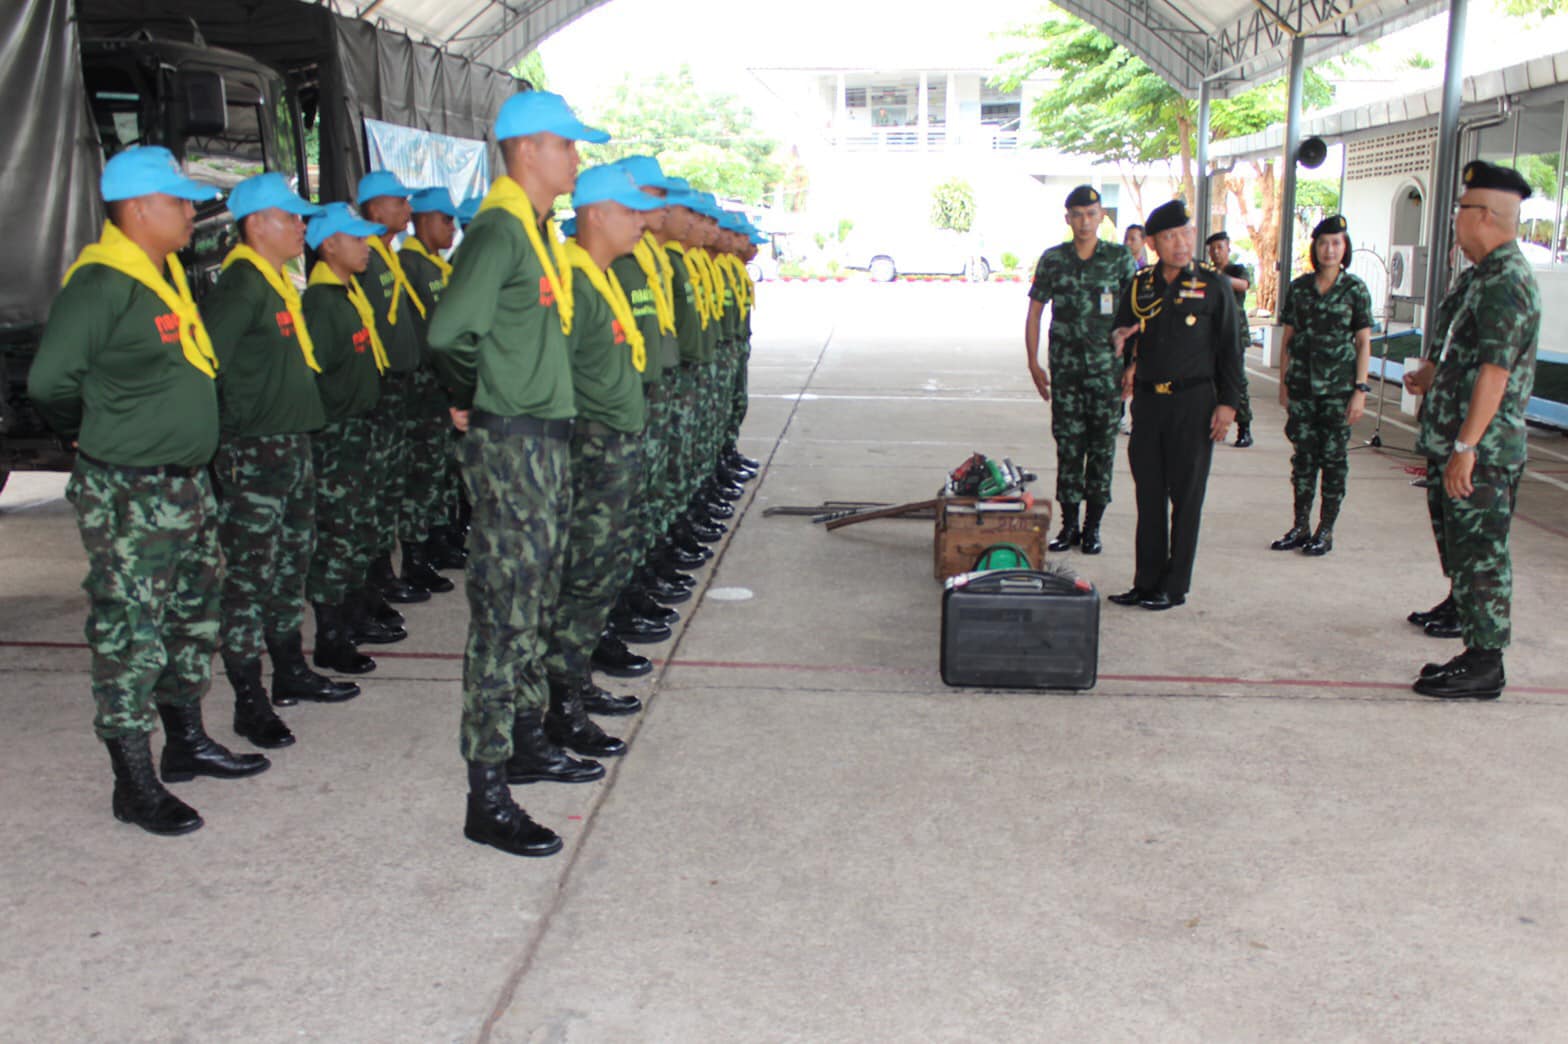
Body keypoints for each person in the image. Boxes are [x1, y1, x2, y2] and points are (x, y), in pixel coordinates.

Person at [28, 146, 268, 836]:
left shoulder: (159, 274)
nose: (192, 213)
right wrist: (91, 432)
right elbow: (50, 383)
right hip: (130, 492)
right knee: (130, 634)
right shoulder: (102, 284)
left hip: (186, 488)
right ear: (138, 208)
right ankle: (133, 783)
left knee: (191, 619)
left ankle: (186, 744)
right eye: (179, 202)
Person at [428, 90, 613, 858]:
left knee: (533, 603)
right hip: (514, 448)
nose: (577, 158)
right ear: (530, 149)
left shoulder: (531, 231)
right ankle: (488, 792)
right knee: (506, 617)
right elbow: (448, 335)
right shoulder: (501, 231)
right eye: (568, 146)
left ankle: (527, 740)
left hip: (542, 445)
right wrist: (475, 397)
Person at [203, 173, 358, 753]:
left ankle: (290, 669)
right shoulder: (241, 287)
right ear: (255, 225)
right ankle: (250, 700)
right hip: (255, 454)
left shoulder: (273, 283)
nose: (302, 226)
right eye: (291, 217)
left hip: (290, 446)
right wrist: (227, 449)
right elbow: (204, 365)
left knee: (290, 564)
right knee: (249, 576)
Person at [1402, 160, 1541, 701]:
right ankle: (1468, 630)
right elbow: (1467, 354)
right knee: (1462, 548)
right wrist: (1430, 378)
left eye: (1461, 209)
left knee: (1482, 555)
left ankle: (1485, 663)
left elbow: (1496, 372)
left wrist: (1466, 447)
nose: (1455, 218)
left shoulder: (1508, 281)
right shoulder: (1480, 276)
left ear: (1485, 216)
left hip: (1482, 448)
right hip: (1455, 438)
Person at [539, 164, 665, 759]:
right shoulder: (571, 282)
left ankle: (574, 681)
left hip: (611, 450)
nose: (642, 222)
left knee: (596, 576)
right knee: (580, 579)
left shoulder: (600, 277)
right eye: (630, 211)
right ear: (595, 215)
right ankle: (560, 702)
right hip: (586, 453)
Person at [1107, 199, 1243, 610]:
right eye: (1169, 237)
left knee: (1186, 498)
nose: (1181, 243)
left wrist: (1229, 405)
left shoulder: (1213, 285)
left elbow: (1230, 350)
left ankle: (1174, 585)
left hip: (1194, 403)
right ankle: (1146, 581)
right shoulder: (1141, 284)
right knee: (1149, 495)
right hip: (1148, 404)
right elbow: (1124, 329)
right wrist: (1121, 343)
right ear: (1152, 242)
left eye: (1185, 233)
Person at [301, 202, 398, 677]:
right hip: (335, 437)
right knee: (336, 539)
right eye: (356, 239)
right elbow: (310, 377)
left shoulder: (345, 296)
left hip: (359, 431)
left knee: (358, 532)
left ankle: (354, 615)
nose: (366, 247)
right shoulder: (320, 305)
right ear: (329, 244)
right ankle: (330, 637)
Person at [1025, 185, 1137, 556]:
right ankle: (1069, 526)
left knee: (1102, 450)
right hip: (1067, 375)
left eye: (1091, 214)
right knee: (1069, 450)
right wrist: (1033, 362)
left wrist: (1134, 365)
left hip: (1108, 375)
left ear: (1102, 215)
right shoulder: (1054, 260)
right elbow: (1036, 312)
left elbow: (1139, 315)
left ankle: (1093, 528)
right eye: (1077, 214)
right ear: (1067, 218)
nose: (1084, 222)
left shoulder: (1119, 259)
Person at [357, 170, 441, 604]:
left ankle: (398, 567)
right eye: (399, 202)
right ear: (374, 208)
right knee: (378, 485)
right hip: (383, 388)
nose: (408, 210)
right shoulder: (366, 257)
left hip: (403, 386)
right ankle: (377, 578)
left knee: (396, 481)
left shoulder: (385, 256)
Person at [1270, 216, 1374, 556]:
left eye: (1337, 243)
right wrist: (1284, 384)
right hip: (1302, 388)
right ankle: (1300, 525)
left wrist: (1360, 389)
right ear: (1315, 248)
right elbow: (1288, 339)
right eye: (1324, 243)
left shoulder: (1355, 289)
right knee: (1303, 459)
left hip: (1338, 393)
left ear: (1345, 249)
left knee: (1333, 461)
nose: (1330, 249)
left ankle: (1325, 529)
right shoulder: (1300, 288)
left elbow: (1363, 342)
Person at [399, 186, 467, 574]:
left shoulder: (432, 265)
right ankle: (416, 554)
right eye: (445, 219)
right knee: (423, 471)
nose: (451, 228)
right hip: (423, 384)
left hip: (441, 380)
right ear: (423, 220)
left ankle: (439, 539)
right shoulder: (411, 266)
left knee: (441, 468)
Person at [1204, 230, 1255, 447]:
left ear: (1228, 249)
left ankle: (1244, 427)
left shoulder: (1236, 270)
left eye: (1220, 248)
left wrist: (1219, 278)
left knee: (1236, 381)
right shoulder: (1207, 273)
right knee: (1211, 381)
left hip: (1235, 335)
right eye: (1212, 249)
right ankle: (1216, 426)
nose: (1216, 252)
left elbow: (1243, 285)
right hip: (1211, 334)